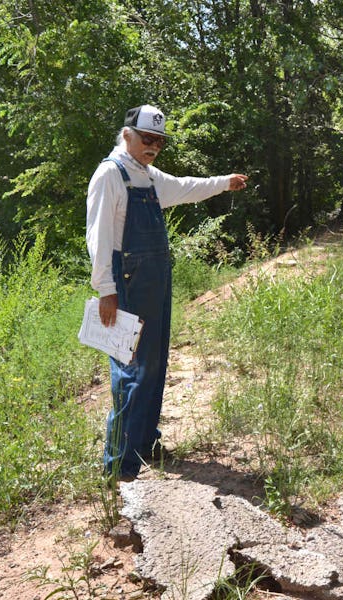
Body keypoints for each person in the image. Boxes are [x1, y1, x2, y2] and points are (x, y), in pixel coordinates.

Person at [86, 104, 248, 480]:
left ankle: (144, 445)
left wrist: (224, 182)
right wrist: (106, 290)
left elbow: (187, 187)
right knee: (131, 368)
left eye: (159, 141)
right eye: (148, 139)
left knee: (154, 365)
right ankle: (121, 466)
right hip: (125, 285)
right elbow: (99, 239)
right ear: (127, 135)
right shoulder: (110, 176)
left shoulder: (147, 175)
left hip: (155, 280)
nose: (154, 146)